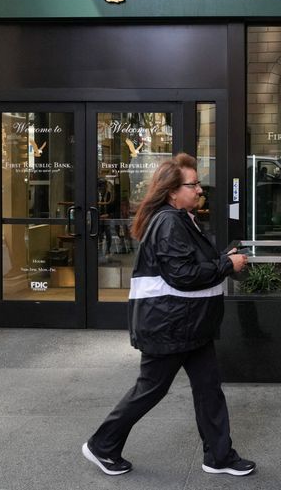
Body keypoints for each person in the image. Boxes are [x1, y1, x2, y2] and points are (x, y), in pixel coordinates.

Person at [82, 153, 255, 476]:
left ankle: (219, 456)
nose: (201, 190)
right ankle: (101, 445)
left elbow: (187, 266)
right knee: (151, 389)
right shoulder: (168, 222)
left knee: (208, 389)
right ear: (173, 191)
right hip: (170, 326)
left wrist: (221, 259)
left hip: (188, 324)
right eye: (194, 184)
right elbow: (183, 275)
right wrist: (226, 265)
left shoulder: (180, 219)